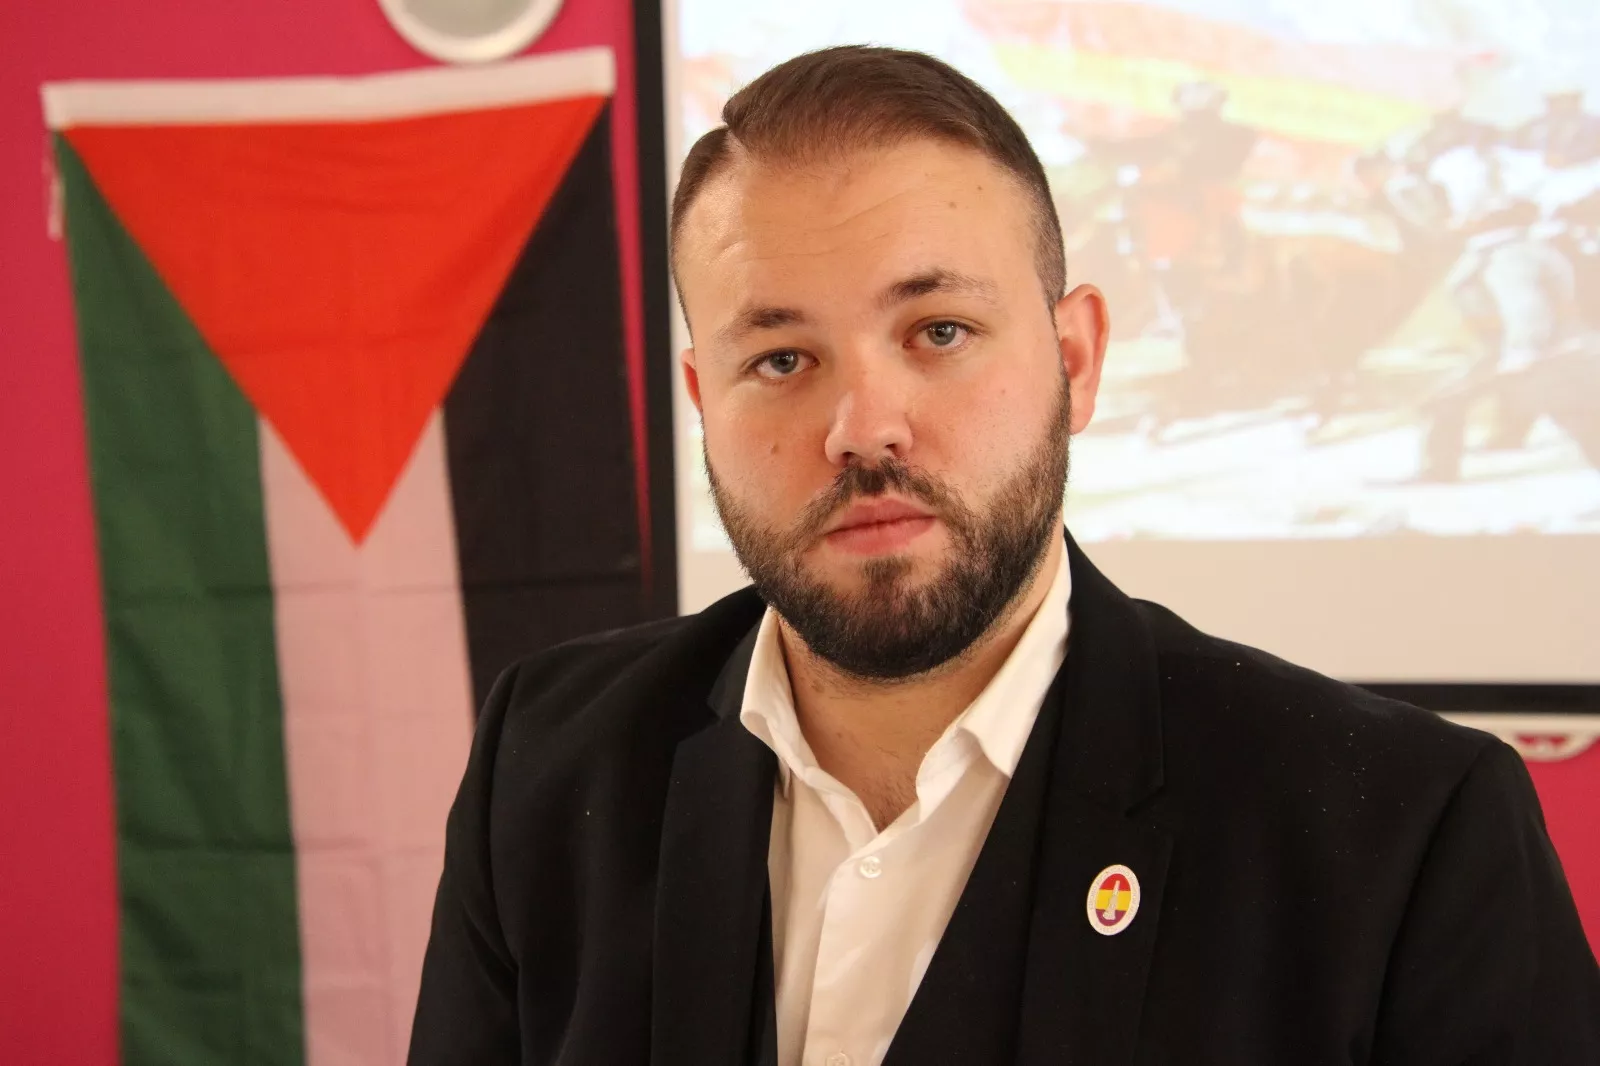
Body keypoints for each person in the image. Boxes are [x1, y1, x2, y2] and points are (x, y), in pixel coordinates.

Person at [409, 46, 1600, 1065]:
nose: (862, 426)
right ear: (701, 401)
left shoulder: (1405, 836)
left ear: (1075, 358)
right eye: (780, 359)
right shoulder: (549, 764)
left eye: (939, 332)